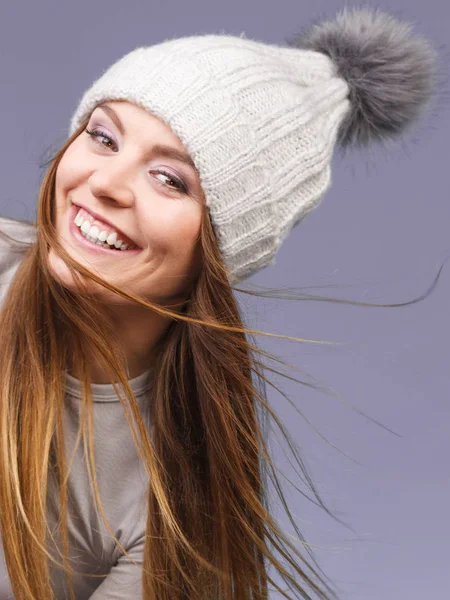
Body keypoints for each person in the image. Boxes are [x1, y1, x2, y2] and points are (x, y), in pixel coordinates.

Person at [0, 6, 440, 600]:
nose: (105, 182)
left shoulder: (178, 506)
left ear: (217, 250)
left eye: (170, 179)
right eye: (102, 136)